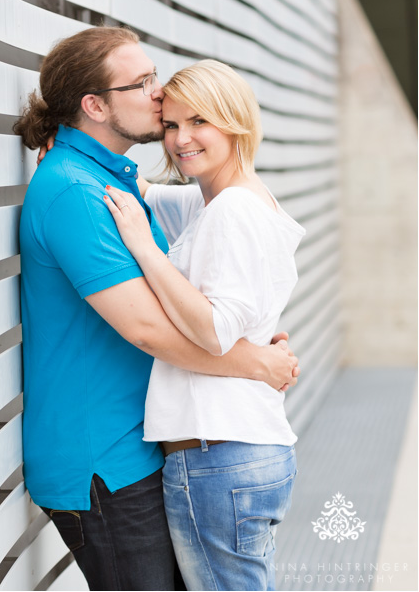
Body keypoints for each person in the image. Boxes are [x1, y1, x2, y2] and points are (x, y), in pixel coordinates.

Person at [13, 27, 299, 591]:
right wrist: (254, 363)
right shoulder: (75, 190)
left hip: (142, 447)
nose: (158, 91)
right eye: (141, 82)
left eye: (154, 75)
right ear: (95, 105)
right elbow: (148, 328)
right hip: (104, 459)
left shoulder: (107, 178)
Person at [102, 60, 304, 591]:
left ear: (234, 122)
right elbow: (144, 191)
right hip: (239, 453)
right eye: (170, 125)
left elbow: (215, 330)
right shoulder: (216, 199)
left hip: (218, 458)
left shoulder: (232, 210)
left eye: (199, 122)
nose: (181, 139)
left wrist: (145, 250)